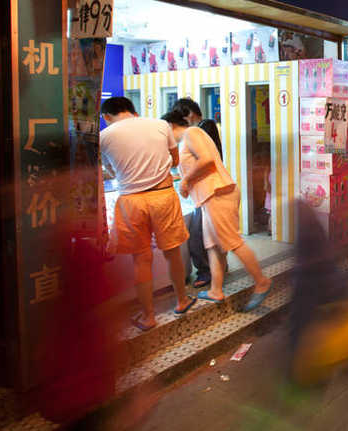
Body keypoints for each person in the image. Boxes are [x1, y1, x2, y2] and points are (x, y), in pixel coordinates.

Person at [99, 97, 194, 331]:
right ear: (133, 111)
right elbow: (174, 159)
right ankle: (181, 301)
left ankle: (148, 316)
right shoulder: (160, 125)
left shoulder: (103, 137)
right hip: (162, 194)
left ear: (106, 117)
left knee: (141, 260)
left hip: (131, 200)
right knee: (172, 252)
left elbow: (109, 170)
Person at [163, 110, 272, 310]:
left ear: (170, 125)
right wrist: (184, 180)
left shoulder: (191, 134)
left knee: (232, 242)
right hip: (209, 196)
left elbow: (206, 160)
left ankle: (261, 281)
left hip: (217, 193)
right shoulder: (187, 139)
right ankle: (216, 290)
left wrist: (186, 181)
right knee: (213, 245)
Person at [171, 97, 221, 288]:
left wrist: (185, 179)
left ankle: (206, 272)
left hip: (208, 189)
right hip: (204, 189)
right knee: (209, 236)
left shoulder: (201, 128)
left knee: (200, 235)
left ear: (189, 114)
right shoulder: (198, 129)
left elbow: (205, 159)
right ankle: (213, 271)